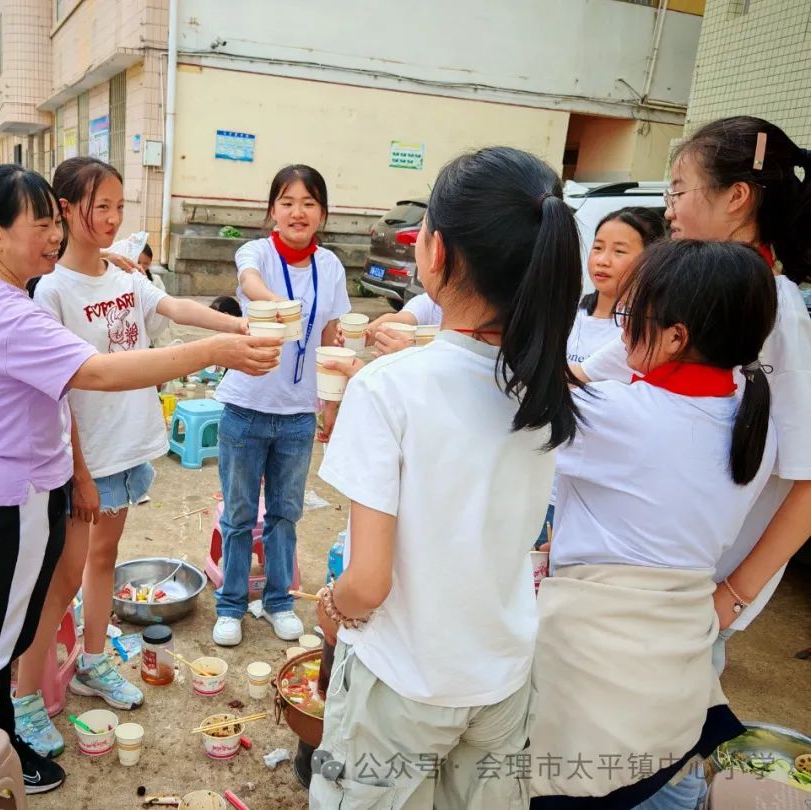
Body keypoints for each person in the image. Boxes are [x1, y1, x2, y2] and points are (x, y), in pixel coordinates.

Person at [0, 164, 278, 794]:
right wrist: (217, 351)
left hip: (11, 476)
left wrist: (231, 327)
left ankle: (26, 704)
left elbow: (156, 310)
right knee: (11, 620)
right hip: (16, 488)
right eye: (41, 222)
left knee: (7, 610)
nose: (52, 236)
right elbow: (90, 376)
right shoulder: (26, 302)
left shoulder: (4, 289)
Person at [310, 146, 583, 809]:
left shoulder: (390, 389)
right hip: (502, 680)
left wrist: (331, 609)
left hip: (407, 682)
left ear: (437, 254)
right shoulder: (545, 383)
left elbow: (369, 583)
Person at [528, 240, 778, 809]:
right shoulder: (749, 411)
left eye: (630, 316)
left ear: (675, 337)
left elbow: (516, 395)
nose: (621, 333)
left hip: (598, 671)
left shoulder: (621, 417)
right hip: (672, 674)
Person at [16, 157, 250, 756]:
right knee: (63, 575)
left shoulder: (124, 277)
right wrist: (81, 473)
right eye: (102, 207)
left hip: (126, 450)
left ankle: (94, 659)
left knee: (103, 560)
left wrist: (242, 328)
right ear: (66, 210)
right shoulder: (52, 292)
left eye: (120, 207)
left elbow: (172, 309)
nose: (113, 219)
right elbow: (57, 396)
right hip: (83, 459)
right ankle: (23, 699)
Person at [212, 164, 351, 647]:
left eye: (308, 203)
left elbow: (333, 333)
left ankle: (277, 602)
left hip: (296, 414)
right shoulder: (256, 253)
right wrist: (278, 303)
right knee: (238, 514)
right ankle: (230, 605)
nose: (298, 212)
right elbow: (249, 283)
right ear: (272, 210)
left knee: (286, 513)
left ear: (322, 214)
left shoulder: (329, 266)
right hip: (245, 408)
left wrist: (330, 403)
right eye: (288, 202)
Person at [532, 207, 667, 546]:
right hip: (540, 474)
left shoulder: (639, 337)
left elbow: (563, 378)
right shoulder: (570, 313)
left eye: (619, 251)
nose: (603, 260)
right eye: (598, 247)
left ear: (651, 261)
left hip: (586, 488)